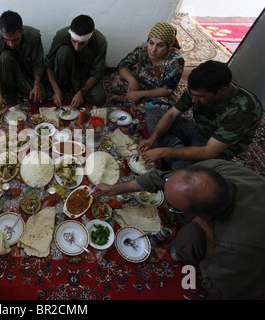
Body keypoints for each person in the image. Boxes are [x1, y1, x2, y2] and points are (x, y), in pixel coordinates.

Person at [92, 159, 265, 299]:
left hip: (248, 267)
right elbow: (162, 178)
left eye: (173, 207)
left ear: (202, 216)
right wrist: (113, 189)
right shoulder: (216, 168)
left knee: (188, 240)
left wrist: (209, 236)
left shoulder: (236, 248)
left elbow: (219, 292)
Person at [138, 60, 263, 170]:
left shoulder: (244, 110)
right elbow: (172, 114)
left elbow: (208, 152)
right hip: (198, 129)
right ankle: (174, 150)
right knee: (154, 113)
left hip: (217, 147)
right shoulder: (199, 88)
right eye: (193, 94)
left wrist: (163, 152)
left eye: (200, 96)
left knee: (186, 171)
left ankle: (171, 153)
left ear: (222, 91)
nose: (194, 100)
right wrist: (152, 138)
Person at [109, 21, 185, 110]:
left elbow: (168, 90)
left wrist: (140, 94)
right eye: (151, 43)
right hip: (140, 83)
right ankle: (135, 101)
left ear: (169, 47)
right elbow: (122, 65)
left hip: (158, 92)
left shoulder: (176, 61)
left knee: (167, 106)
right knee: (114, 78)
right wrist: (132, 80)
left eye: (160, 46)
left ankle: (127, 99)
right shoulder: (143, 49)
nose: (153, 49)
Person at [45, 15, 107, 108]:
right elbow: (48, 65)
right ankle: (63, 88)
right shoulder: (61, 36)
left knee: (99, 98)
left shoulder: (100, 42)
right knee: (63, 51)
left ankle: (75, 90)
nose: (77, 47)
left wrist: (82, 92)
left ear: (91, 37)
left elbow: (97, 73)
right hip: (63, 75)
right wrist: (56, 90)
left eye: (82, 43)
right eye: (74, 41)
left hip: (84, 77)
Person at [0, 10, 46, 109]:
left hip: (27, 76)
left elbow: (38, 64)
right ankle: (10, 91)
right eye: (6, 40)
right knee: (5, 56)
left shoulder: (34, 36)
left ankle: (24, 90)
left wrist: (36, 85)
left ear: (22, 31)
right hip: (8, 77)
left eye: (15, 39)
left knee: (40, 98)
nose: (11, 44)